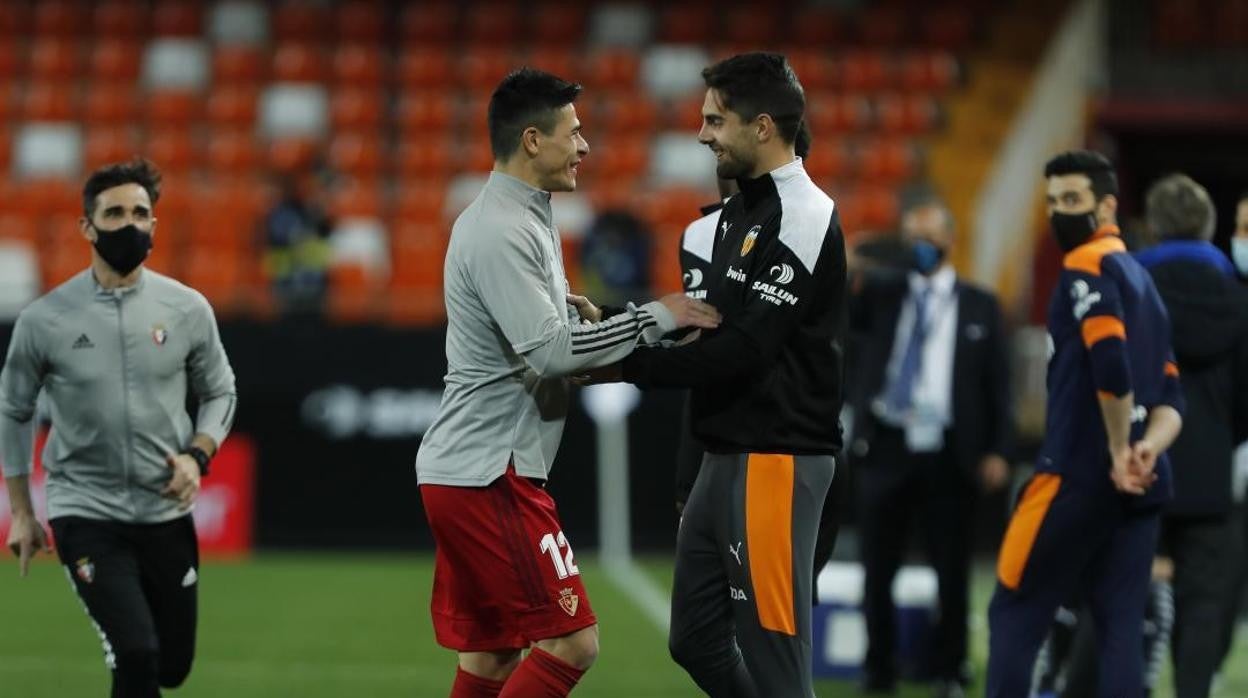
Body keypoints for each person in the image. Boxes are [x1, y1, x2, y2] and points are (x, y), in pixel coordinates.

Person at [413, 68, 720, 698]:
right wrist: (657, 317)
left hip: (472, 470)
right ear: (532, 140)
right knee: (573, 641)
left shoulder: (524, 215)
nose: (585, 147)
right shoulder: (501, 228)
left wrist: (609, 338)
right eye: (573, 133)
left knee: (493, 658)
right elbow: (553, 354)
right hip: (488, 473)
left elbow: (550, 354)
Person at [593, 52, 846, 697]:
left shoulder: (805, 213)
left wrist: (620, 363)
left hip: (777, 459)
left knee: (777, 663)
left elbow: (742, 353)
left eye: (714, 120)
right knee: (695, 639)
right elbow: (704, 336)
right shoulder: (735, 216)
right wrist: (622, 328)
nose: (702, 134)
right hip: (724, 455)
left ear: (761, 127)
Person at [1, 158, 238, 697]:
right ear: (87, 226)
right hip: (85, 511)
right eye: (113, 214)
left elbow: (221, 390)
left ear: (154, 224)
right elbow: (13, 409)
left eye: (140, 213)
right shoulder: (45, 320)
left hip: (165, 510)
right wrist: (21, 511)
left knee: (170, 666)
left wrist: (196, 457)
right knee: (136, 651)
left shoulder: (186, 309)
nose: (128, 225)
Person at [985, 150, 1185, 698]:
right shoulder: (1146, 285)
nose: (1059, 213)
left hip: (1074, 474)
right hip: (1142, 484)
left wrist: (1122, 448)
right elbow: (1171, 398)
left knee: (1014, 608)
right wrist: (1146, 450)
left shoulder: (1085, 265)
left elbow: (1111, 360)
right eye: (1052, 202)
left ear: (1107, 206)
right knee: (1120, 628)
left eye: (1071, 200)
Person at [849, 193, 1012, 697]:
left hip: (951, 448)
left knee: (952, 567)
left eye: (929, 236)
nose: (921, 246)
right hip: (888, 442)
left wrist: (999, 449)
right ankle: (879, 669)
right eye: (912, 237)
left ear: (950, 239)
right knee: (877, 567)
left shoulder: (980, 305)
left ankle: (950, 667)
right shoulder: (882, 295)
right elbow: (849, 273)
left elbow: (997, 386)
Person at [1134, 174, 1248, 698]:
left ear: (1154, 225)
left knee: (1123, 597)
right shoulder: (1239, 301)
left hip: (1135, 466)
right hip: (1211, 476)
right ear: (1210, 226)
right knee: (1204, 606)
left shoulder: (1129, 287)